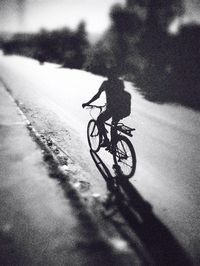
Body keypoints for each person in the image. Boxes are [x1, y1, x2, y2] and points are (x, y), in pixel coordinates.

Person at [82, 69, 131, 147]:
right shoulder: (120, 82)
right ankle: (114, 144)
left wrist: (87, 103)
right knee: (114, 125)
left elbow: (97, 95)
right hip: (124, 110)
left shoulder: (105, 84)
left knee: (99, 120)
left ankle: (106, 141)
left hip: (112, 109)